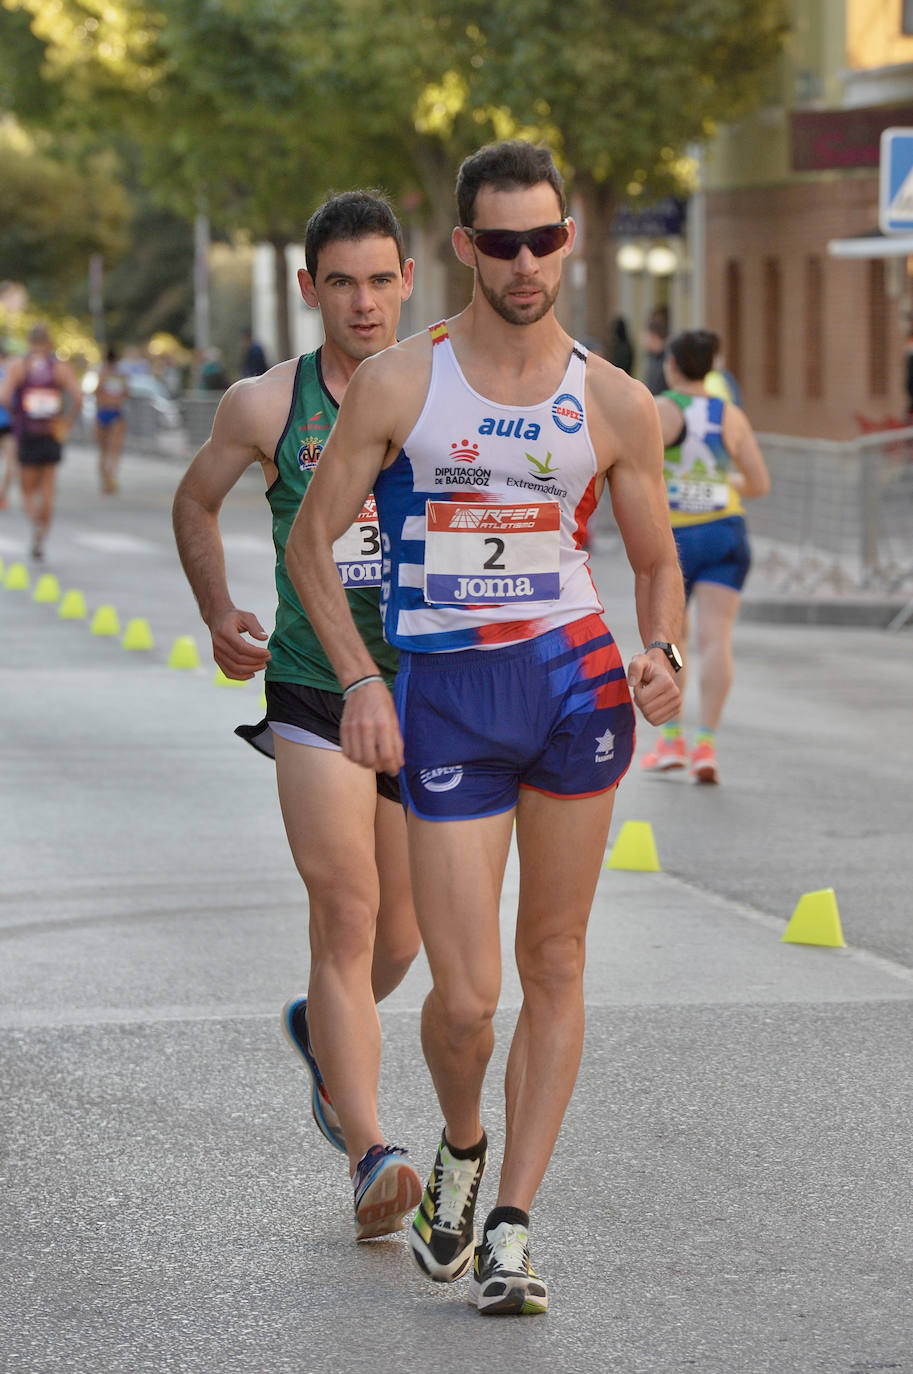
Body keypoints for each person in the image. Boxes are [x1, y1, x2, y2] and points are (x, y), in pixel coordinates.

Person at [284, 140, 684, 1316]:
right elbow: (312, 545)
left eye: (544, 240)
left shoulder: (614, 400)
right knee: (465, 1002)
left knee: (553, 960)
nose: (524, 264)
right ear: (462, 246)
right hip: (445, 697)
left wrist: (659, 654)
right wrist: (359, 680)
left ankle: (510, 1221)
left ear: (569, 240)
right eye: (500, 243)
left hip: (573, 692)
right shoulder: (403, 383)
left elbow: (654, 562)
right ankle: (460, 1144)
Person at [172, 192, 423, 1240]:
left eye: (379, 279)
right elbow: (195, 501)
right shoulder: (266, 405)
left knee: (404, 942)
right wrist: (220, 610)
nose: (363, 303)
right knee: (348, 909)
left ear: (409, 277)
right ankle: (371, 1151)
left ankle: (324, 1028)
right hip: (316, 686)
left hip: (426, 696)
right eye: (341, 282)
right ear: (308, 287)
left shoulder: (445, 393)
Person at [640, 328, 770, 784]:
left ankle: (672, 736)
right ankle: (706, 746)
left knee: (672, 641)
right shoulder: (729, 415)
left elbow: (636, 471)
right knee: (717, 640)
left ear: (671, 366)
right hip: (724, 532)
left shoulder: (661, 409)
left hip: (676, 538)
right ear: (712, 368)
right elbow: (759, 482)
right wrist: (722, 484)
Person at [0, 323, 83, 559]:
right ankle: (42, 534)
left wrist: (18, 415)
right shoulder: (60, 367)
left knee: (27, 489)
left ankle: (35, 518)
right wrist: (66, 421)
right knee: (48, 486)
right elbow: (77, 397)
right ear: (48, 342)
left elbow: (4, 396)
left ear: (29, 341)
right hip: (51, 432)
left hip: (27, 433)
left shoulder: (19, 366)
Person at [93, 347, 128, 494]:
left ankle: (104, 481)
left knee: (103, 450)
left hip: (102, 411)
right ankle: (110, 476)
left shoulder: (101, 374)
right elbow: (126, 393)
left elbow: (96, 392)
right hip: (115, 412)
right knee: (114, 449)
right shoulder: (121, 376)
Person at [0, 341, 16, 511]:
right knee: (9, 464)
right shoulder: (12, 374)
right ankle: (2, 495)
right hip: (9, 424)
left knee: (9, 464)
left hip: (7, 424)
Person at [642, 303, 669, 395]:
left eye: (646, 336)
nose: (644, 340)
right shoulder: (651, 356)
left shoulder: (669, 358)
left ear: (654, 336)